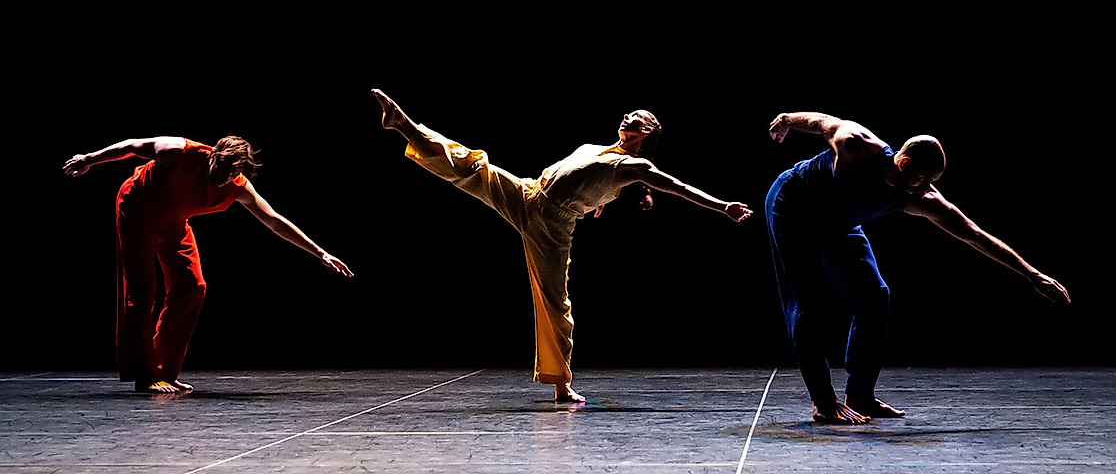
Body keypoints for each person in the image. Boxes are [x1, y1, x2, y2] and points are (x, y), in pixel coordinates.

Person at [373, 89, 751, 402]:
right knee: (475, 167)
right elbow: (592, 179)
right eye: (628, 113)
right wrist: (604, 199)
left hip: (552, 226)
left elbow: (677, 186)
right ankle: (405, 126)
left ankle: (561, 384)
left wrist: (723, 207)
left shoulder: (640, 168)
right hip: (529, 193)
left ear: (648, 131)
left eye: (637, 117)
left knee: (554, 300)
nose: (627, 117)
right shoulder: (600, 148)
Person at [765, 112, 1070, 423]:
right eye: (923, 179)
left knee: (873, 295)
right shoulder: (856, 144)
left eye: (932, 182)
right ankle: (824, 402)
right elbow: (820, 122)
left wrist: (1032, 274)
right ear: (904, 164)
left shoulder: (919, 197)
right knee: (810, 300)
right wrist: (788, 119)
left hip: (839, 225)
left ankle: (860, 395)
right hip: (793, 206)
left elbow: (974, 234)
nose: (926, 188)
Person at [63, 136, 353, 394]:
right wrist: (89, 159)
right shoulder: (177, 151)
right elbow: (131, 146)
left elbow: (274, 220)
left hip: (173, 223)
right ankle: (144, 374)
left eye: (233, 173)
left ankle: (164, 371)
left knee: (193, 286)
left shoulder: (238, 187)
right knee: (141, 290)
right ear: (213, 154)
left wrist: (320, 253)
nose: (225, 178)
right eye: (222, 169)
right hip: (137, 207)